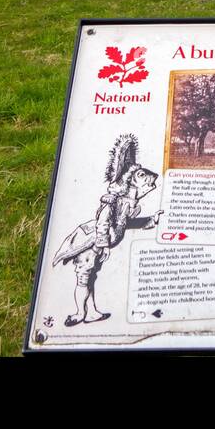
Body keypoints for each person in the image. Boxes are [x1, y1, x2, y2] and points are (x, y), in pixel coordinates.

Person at [52, 134, 161, 326]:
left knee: (91, 279)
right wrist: (105, 246)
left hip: (100, 245)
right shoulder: (114, 199)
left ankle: (91, 312)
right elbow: (102, 221)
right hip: (91, 244)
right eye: (142, 177)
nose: (148, 184)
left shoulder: (130, 203)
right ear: (132, 180)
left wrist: (151, 220)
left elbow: (124, 224)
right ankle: (79, 314)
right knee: (84, 279)